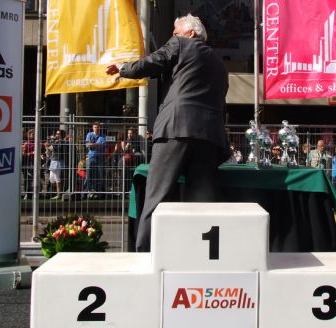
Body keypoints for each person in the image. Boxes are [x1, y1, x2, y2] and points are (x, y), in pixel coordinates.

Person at [106, 13, 229, 252]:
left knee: (157, 197)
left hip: (176, 127)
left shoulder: (180, 44)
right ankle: (200, 253)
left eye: (176, 31)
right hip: (209, 136)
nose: (172, 35)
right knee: (202, 202)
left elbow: (154, 61)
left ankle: (145, 254)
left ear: (190, 33)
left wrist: (124, 68)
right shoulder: (218, 63)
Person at [84, 122, 106, 199]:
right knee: (88, 174)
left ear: (100, 128)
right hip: (90, 157)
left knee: (100, 175)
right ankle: (86, 192)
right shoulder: (89, 134)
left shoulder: (103, 135)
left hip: (100, 157)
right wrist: (96, 144)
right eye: (95, 127)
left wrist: (92, 144)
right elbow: (87, 145)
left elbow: (101, 144)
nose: (96, 128)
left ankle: (99, 192)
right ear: (92, 128)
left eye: (98, 127)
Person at [46, 129, 69, 200]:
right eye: (56, 133)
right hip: (53, 161)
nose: (56, 135)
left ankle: (59, 194)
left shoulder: (63, 142)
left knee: (57, 178)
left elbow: (57, 149)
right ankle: (56, 192)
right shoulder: (56, 142)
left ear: (62, 135)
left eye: (58, 134)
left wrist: (52, 142)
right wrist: (48, 148)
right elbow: (50, 148)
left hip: (58, 162)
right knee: (51, 179)